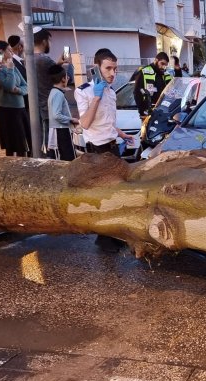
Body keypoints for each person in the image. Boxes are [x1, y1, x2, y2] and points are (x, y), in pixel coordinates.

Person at [75, 49, 136, 252]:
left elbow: (107, 122)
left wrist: (121, 134)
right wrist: (96, 98)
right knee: (103, 196)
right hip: (98, 151)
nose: (112, 73)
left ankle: (114, 233)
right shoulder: (84, 91)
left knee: (116, 192)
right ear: (96, 68)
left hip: (112, 148)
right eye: (108, 68)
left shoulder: (110, 91)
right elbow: (85, 123)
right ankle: (103, 238)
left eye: (115, 69)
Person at [0, 42, 30, 157]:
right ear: (1, 52)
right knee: (12, 145)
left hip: (20, 108)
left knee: (23, 144)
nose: (12, 52)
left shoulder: (13, 66)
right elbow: (9, 85)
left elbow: (26, 86)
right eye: (9, 50)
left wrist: (19, 91)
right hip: (7, 110)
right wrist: (9, 70)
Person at [34, 28, 64, 150]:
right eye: (49, 41)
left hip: (37, 106)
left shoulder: (28, 59)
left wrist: (58, 64)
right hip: (48, 107)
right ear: (44, 41)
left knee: (42, 141)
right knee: (50, 143)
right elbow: (63, 78)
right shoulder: (44, 60)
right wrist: (67, 64)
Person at [47, 64, 78, 161]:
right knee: (67, 159)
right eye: (67, 77)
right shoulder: (58, 94)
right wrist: (71, 119)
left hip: (58, 130)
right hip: (61, 131)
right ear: (63, 79)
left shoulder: (54, 92)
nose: (68, 79)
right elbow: (56, 115)